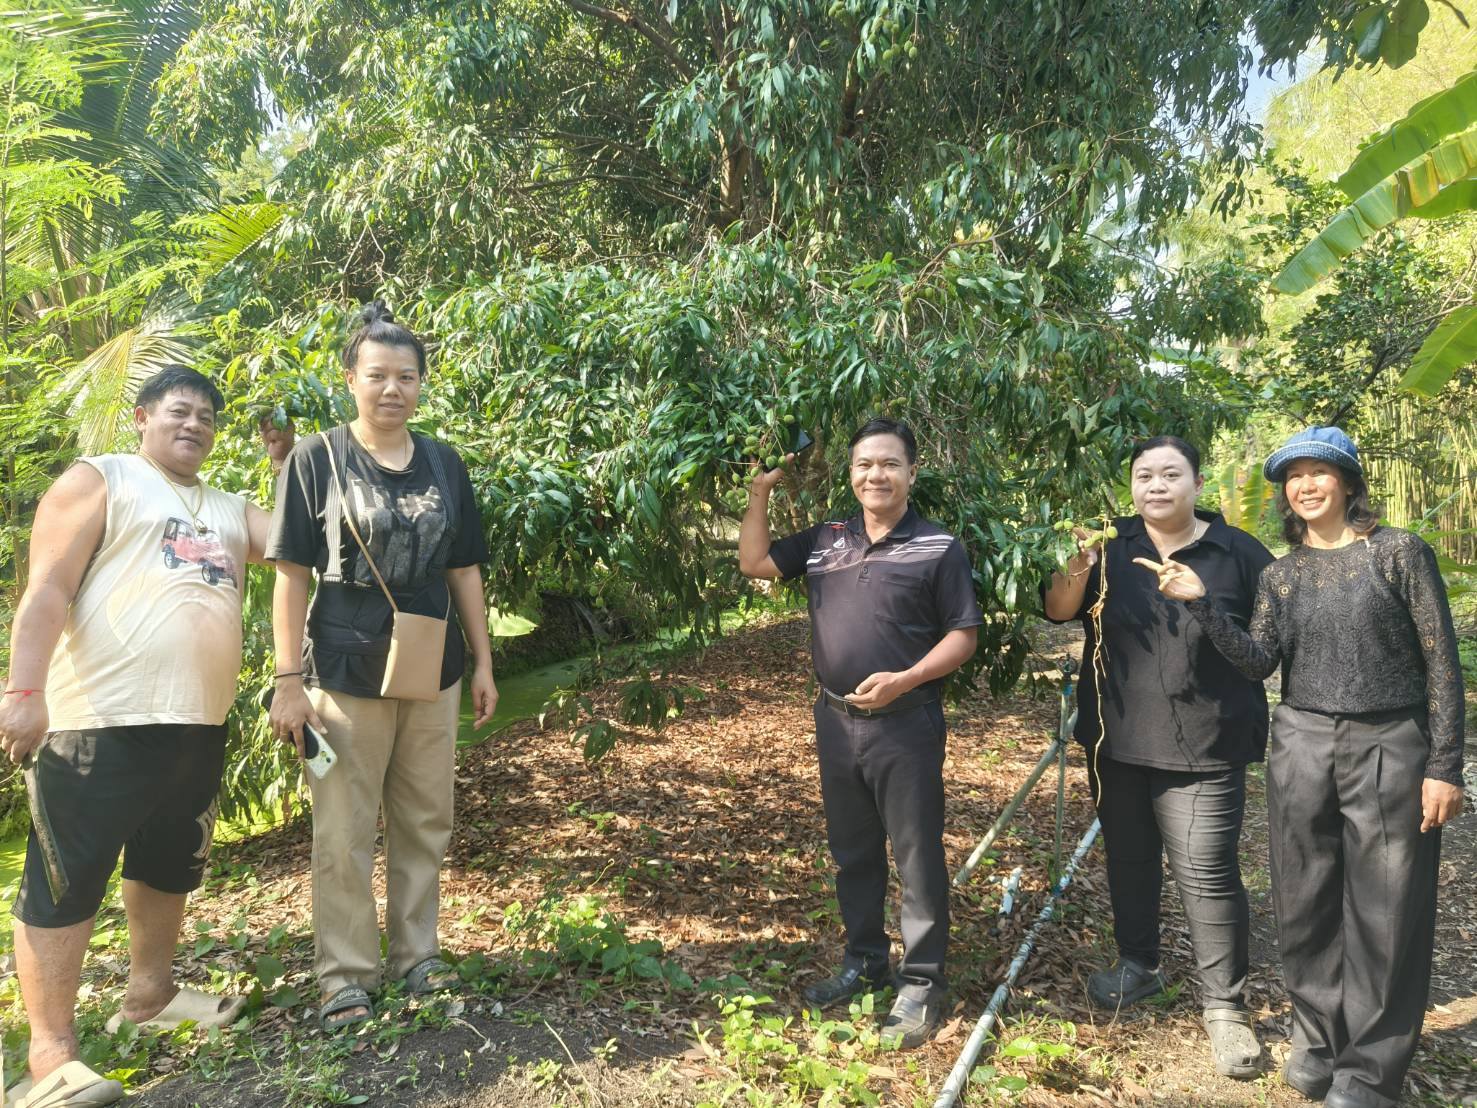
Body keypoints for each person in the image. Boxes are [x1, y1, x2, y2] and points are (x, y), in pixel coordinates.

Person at [1137, 426, 1465, 1108]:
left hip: (1388, 741)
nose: (1305, 485)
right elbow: (1259, 662)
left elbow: (1440, 662)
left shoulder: (1397, 552)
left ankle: (1369, 1072)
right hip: (1301, 741)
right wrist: (1199, 602)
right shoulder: (1281, 575)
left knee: (1385, 908)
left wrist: (1444, 764)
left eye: (1319, 472)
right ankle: (1317, 1043)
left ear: (1348, 482)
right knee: (1304, 900)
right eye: (1293, 476)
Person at [0, 366, 283, 1108]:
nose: (194, 425)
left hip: (198, 723)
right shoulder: (101, 479)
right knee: (66, 881)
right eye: (179, 411)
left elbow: (297, 544)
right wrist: (23, 692)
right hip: (98, 720)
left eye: (207, 418)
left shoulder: (228, 507)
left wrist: (287, 465)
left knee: (168, 866)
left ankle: (149, 997)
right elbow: (47, 588)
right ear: (141, 417)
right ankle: (50, 1056)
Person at [267, 302, 497, 1034]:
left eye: (406, 376)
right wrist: (287, 681)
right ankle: (345, 975)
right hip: (343, 670)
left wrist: (484, 661)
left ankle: (416, 955)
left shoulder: (444, 463)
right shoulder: (316, 459)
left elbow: (464, 568)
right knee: (342, 829)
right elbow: (289, 574)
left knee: (425, 817)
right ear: (350, 380)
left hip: (433, 665)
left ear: (421, 384)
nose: (392, 388)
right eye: (377, 375)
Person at [739, 417, 982, 1049]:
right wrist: (760, 491)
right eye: (865, 464)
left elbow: (963, 634)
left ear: (912, 473)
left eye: (890, 464)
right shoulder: (826, 540)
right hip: (836, 722)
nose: (877, 474)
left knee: (917, 853)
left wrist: (906, 679)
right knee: (852, 851)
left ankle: (922, 981)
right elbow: (755, 562)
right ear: (852, 473)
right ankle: (866, 960)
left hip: (906, 724)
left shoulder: (938, 546)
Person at [1042, 436, 1274, 1078]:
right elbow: (1059, 610)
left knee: (1206, 874)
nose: (1157, 485)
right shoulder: (1109, 545)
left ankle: (1224, 1008)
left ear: (1198, 483)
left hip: (1207, 742)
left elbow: (1266, 648)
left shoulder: (1239, 553)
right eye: (1144, 475)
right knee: (1130, 858)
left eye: (1172, 474)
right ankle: (1138, 964)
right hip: (1115, 740)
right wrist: (1077, 566)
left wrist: (1201, 599)